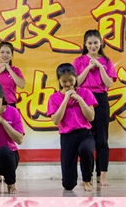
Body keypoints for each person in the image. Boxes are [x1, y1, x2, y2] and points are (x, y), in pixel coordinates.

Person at [73, 30, 117, 186]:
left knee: (102, 139)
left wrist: (100, 67)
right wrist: (88, 67)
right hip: (84, 98)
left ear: (101, 43)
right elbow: (76, 83)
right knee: (86, 138)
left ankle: (102, 176)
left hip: (101, 99)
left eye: (95, 43)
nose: (93, 46)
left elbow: (109, 83)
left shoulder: (106, 61)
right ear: (85, 44)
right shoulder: (79, 61)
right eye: (90, 43)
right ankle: (88, 176)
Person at [47, 63, 97, 191]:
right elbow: (56, 120)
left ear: (75, 77)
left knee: (85, 150)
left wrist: (80, 100)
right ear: (59, 81)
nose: (68, 84)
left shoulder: (85, 93)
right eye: (64, 81)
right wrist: (65, 99)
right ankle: (71, 180)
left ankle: (87, 179)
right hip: (67, 136)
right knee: (68, 185)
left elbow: (91, 117)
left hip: (85, 133)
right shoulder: (53, 98)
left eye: (71, 80)